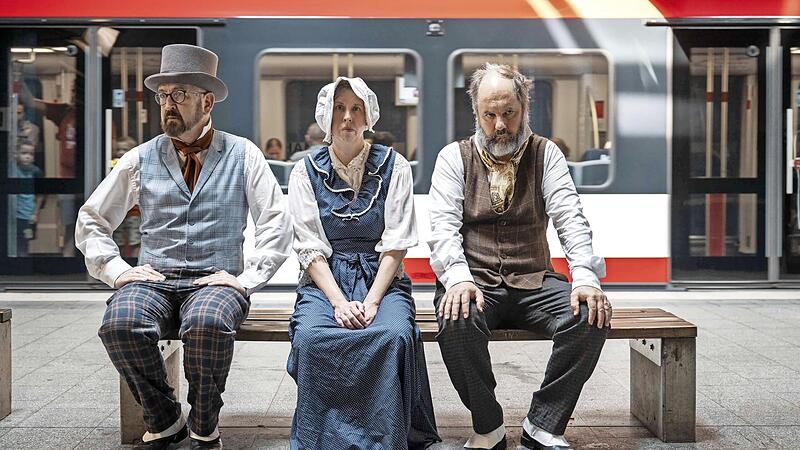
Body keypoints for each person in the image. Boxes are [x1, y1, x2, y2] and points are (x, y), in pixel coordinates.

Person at [75, 44, 292, 450]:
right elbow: (92, 219)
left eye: (180, 95)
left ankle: (205, 425)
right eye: (163, 95)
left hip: (216, 281)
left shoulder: (244, 154)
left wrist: (245, 279)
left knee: (207, 324)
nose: (168, 105)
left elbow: (277, 222)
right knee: (118, 325)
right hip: (153, 279)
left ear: (207, 101)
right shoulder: (139, 158)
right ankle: (166, 417)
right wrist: (118, 270)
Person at [428, 63, 610, 450]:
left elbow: (569, 216)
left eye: (508, 113)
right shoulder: (452, 158)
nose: (499, 124)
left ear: (524, 108)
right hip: (474, 280)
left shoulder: (547, 154)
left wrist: (585, 277)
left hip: (534, 280)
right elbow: (442, 227)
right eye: (489, 114)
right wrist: (457, 277)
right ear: (475, 112)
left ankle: (544, 423)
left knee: (592, 316)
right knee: (454, 317)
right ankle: (488, 425)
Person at [286, 77, 440, 449]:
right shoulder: (304, 171)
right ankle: (323, 439)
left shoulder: (395, 166)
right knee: (310, 338)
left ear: (369, 114)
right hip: (326, 281)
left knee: (393, 334)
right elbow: (310, 247)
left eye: (356, 108)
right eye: (339, 108)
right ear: (326, 115)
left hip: (382, 279)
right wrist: (338, 302)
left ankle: (383, 439)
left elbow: (395, 244)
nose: (347, 117)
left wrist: (371, 302)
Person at [21, 80, 78, 256]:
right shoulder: (64, 112)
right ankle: (69, 266)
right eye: (75, 90)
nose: (77, 95)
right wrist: (17, 76)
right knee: (70, 229)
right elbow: (30, 101)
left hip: (94, 184)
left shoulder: (99, 114)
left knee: (88, 231)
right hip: (67, 184)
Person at [111, 136, 142, 257]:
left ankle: (134, 262)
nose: (120, 152)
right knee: (117, 241)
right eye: (118, 149)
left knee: (135, 240)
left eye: (124, 149)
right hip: (117, 210)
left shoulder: (136, 165)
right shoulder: (113, 165)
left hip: (134, 211)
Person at [12, 142, 45, 257]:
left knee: (24, 242)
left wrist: (35, 214)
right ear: (16, 154)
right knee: (12, 240)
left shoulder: (36, 172)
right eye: (24, 153)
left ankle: (23, 264)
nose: (27, 156)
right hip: (13, 214)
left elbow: (40, 195)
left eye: (31, 154)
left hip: (28, 215)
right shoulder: (12, 170)